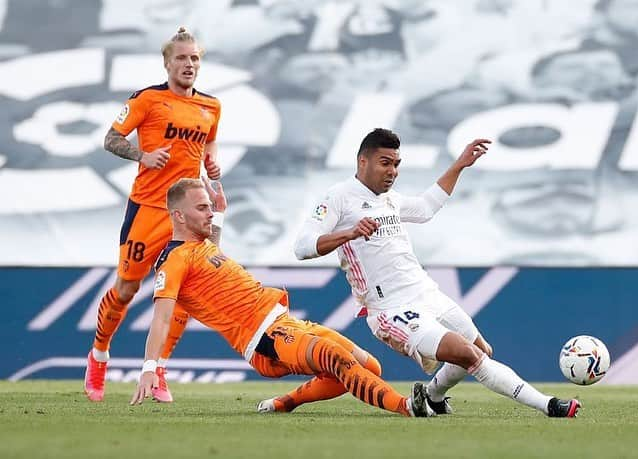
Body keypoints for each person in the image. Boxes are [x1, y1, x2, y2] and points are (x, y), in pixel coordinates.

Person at [285, 128, 580, 418]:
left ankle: (433, 396)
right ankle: (549, 405)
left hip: (426, 292)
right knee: (467, 355)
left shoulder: (390, 199)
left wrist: (459, 165)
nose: (393, 171)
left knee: (481, 350)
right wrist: (348, 233)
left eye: (397, 164)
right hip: (391, 308)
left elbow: (426, 208)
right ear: (363, 161)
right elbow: (302, 247)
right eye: (385, 163)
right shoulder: (338, 198)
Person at [129, 177, 434, 418]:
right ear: (178, 216)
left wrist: (219, 213)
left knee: (370, 368)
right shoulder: (173, 261)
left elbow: (212, 255)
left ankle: (283, 404)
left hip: (285, 322)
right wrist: (149, 368)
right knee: (337, 359)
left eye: (209, 206)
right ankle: (407, 406)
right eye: (202, 208)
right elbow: (162, 318)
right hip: (264, 338)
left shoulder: (200, 247)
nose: (209, 212)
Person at [84, 27, 222, 402]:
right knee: (127, 288)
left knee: (183, 293)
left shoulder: (211, 106)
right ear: (167, 63)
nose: (189, 64)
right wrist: (142, 155)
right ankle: (99, 355)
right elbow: (111, 139)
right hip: (148, 207)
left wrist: (212, 175)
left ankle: (158, 370)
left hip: (187, 213)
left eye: (194, 58)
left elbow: (208, 145)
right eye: (182, 57)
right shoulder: (147, 99)